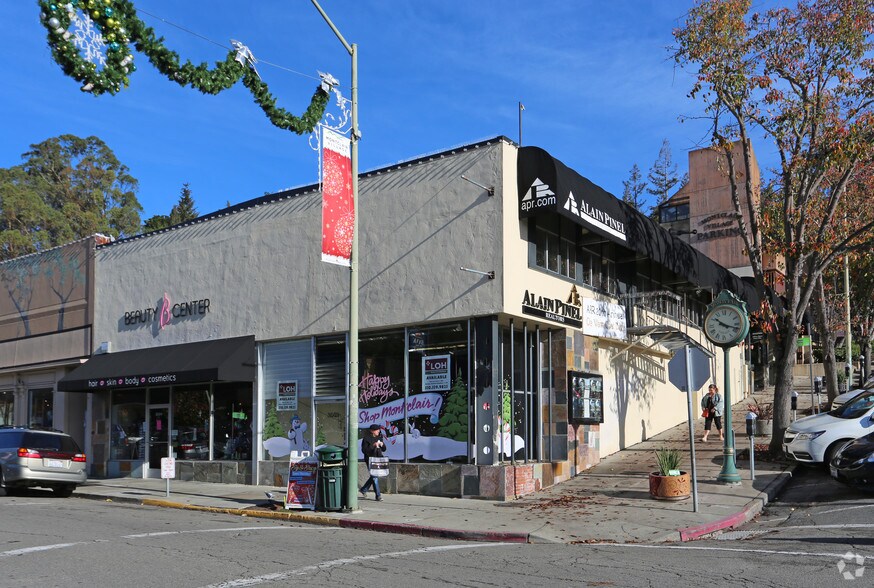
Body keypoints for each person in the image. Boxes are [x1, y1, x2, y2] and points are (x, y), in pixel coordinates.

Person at [359, 424, 385, 501]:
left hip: (378, 459)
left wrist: (382, 445)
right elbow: (364, 450)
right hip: (370, 459)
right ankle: (378, 495)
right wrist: (373, 445)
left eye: (379, 430)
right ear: (372, 431)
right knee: (374, 477)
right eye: (377, 430)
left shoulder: (379, 438)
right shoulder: (366, 439)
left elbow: (384, 449)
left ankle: (363, 489)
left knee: (374, 476)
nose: (378, 431)